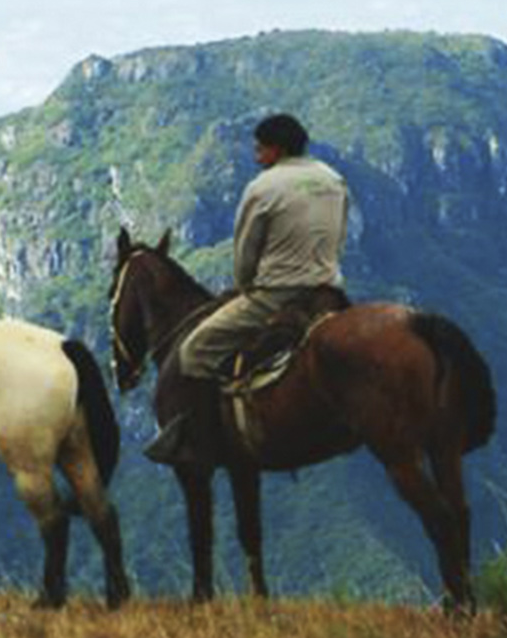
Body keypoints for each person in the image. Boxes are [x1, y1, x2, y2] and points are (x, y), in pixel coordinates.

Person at [143, 113, 351, 464]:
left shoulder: (263, 187)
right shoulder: (334, 180)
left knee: (194, 351)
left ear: (276, 149)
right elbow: (340, 236)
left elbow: (245, 256)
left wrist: (245, 287)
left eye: (260, 149)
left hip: (276, 295)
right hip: (329, 295)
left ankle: (200, 443)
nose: (256, 157)